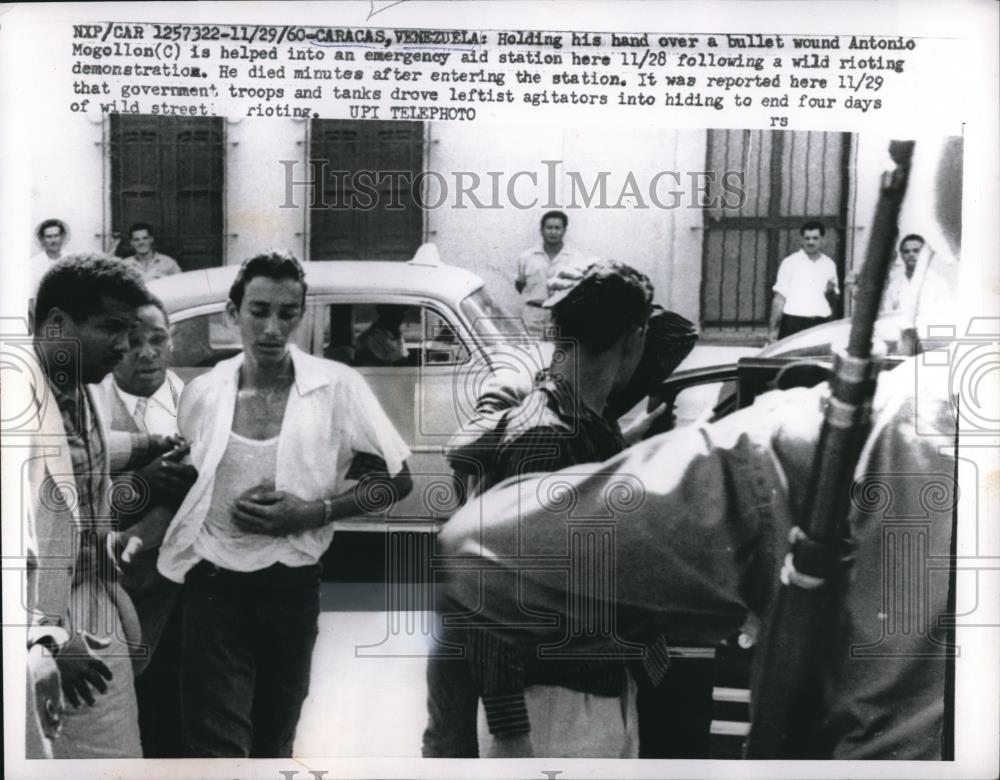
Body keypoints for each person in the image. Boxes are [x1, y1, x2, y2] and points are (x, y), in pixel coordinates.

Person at [438, 352, 960, 759]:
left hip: (605, 686)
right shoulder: (545, 436)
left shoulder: (593, 427)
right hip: (565, 694)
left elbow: (480, 559)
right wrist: (505, 726)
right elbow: (482, 593)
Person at [156, 251, 413, 758]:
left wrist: (312, 513)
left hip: (292, 586)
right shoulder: (203, 393)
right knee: (215, 745)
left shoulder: (336, 386)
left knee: (275, 739)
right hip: (212, 586)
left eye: (287, 312)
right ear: (233, 314)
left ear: (301, 315)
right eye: (258, 311)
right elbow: (182, 478)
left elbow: (397, 482)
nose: (272, 328)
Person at [424, 261, 671, 758]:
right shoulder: (545, 437)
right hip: (554, 706)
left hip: (593, 688)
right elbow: (493, 595)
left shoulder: (581, 422)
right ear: (635, 336)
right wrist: (513, 735)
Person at [17, 254, 158, 758]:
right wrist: (47, 639)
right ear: (57, 323)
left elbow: (84, 455)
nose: (124, 347)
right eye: (112, 329)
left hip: (94, 615)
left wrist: (153, 444)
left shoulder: (77, 386)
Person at [91, 296, 194, 757]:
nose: (147, 352)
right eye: (134, 342)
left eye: (158, 339)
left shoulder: (198, 401)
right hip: (122, 592)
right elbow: (70, 510)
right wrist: (143, 484)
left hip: (194, 596)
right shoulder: (91, 407)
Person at [514, 210, 583, 339]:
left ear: (564, 231)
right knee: (531, 353)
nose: (553, 232)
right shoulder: (526, 257)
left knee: (558, 355)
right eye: (549, 228)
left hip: (561, 316)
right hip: (532, 317)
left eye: (557, 228)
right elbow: (520, 285)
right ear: (541, 230)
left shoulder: (576, 258)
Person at [769, 220, 840, 341]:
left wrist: (831, 291)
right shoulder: (790, 263)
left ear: (823, 240)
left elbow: (833, 299)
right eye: (807, 238)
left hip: (821, 323)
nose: (811, 242)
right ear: (802, 240)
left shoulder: (829, 264)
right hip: (794, 323)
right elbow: (779, 298)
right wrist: (773, 329)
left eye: (815, 238)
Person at [30, 218, 70, 297]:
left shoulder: (70, 259)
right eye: (49, 237)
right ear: (42, 239)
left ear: (62, 237)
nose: (53, 240)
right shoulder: (34, 263)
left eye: (56, 236)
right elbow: (30, 296)